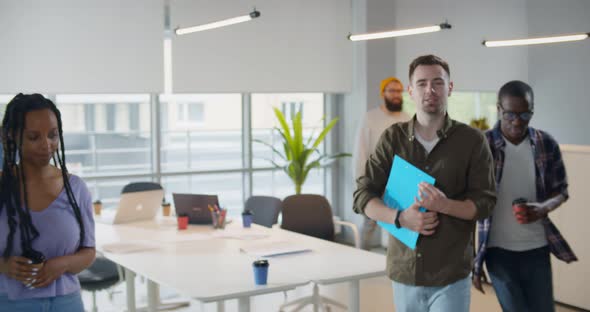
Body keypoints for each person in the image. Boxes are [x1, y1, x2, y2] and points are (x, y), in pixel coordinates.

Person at [353, 54, 496, 312]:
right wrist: (399, 217)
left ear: (449, 87)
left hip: (451, 274)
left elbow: (485, 203)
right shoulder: (392, 139)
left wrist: (444, 205)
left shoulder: (472, 141)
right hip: (405, 271)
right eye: (421, 83)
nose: (430, 90)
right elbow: (363, 195)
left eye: (438, 82)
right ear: (411, 90)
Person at [472, 80, 577, 312]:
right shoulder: (482, 145)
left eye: (525, 114)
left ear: (532, 110)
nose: (517, 121)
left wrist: (543, 208)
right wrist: (473, 262)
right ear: (499, 109)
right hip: (498, 252)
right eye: (510, 114)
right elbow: (469, 204)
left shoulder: (545, 143)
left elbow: (561, 191)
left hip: (537, 249)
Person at [0, 93, 95, 310]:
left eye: (53, 135)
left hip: (67, 302)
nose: (47, 145)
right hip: (8, 302)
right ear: (13, 136)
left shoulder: (75, 188)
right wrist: (3, 266)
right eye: (34, 137)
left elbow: (88, 251)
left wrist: (61, 264)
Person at [353, 77, 410, 250]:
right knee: (369, 224)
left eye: (399, 91)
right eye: (392, 91)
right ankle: (359, 257)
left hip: (398, 183)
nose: (396, 95)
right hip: (374, 180)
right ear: (383, 93)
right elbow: (360, 151)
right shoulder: (370, 118)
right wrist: (361, 181)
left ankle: (390, 262)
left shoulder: (407, 118)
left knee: (395, 224)